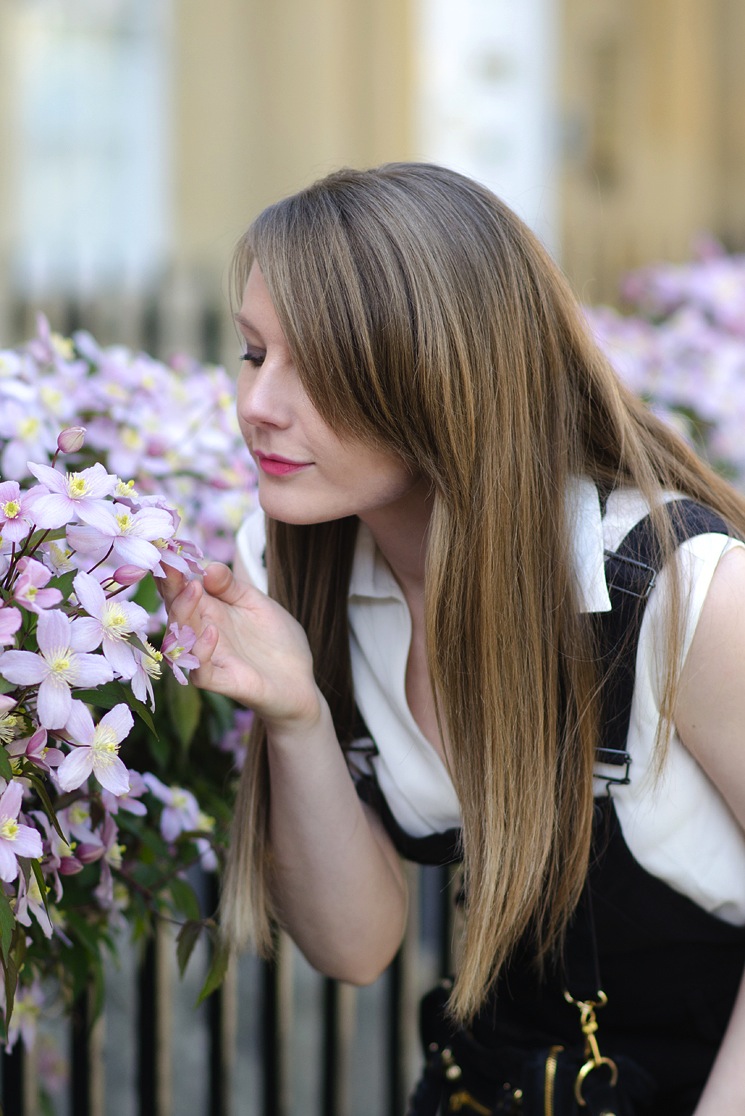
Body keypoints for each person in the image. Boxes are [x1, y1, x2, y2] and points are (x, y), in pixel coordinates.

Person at [160, 163, 745, 1115]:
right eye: (255, 353)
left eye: (316, 366)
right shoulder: (293, 571)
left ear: (439, 379)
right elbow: (355, 946)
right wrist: (298, 714)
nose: (260, 405)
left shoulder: (684, 593)